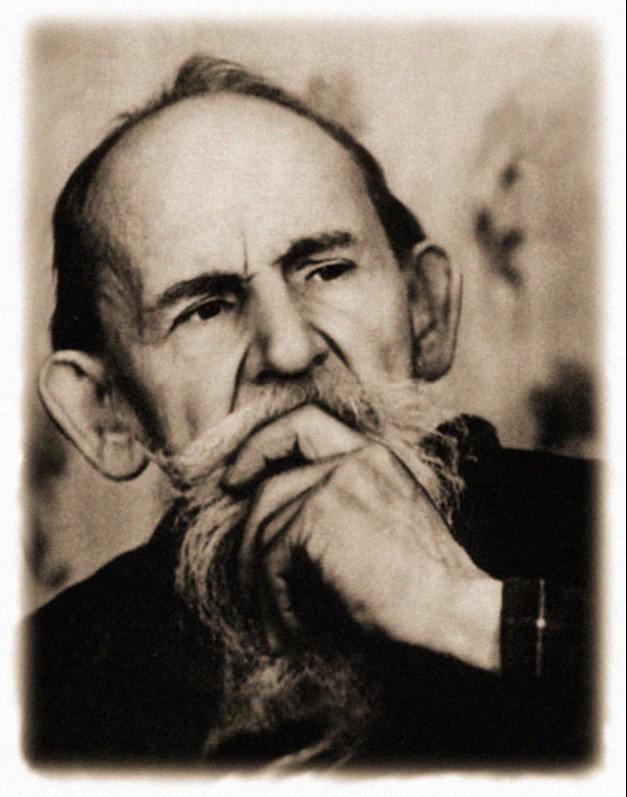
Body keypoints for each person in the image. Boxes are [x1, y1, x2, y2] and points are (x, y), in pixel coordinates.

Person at [25, 55, 594, 768]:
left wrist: (466, 611)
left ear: (424, 309)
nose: (290, 350)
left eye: (326, 271)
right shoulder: (44, 694)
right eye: (205, 309)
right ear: (103, 412)